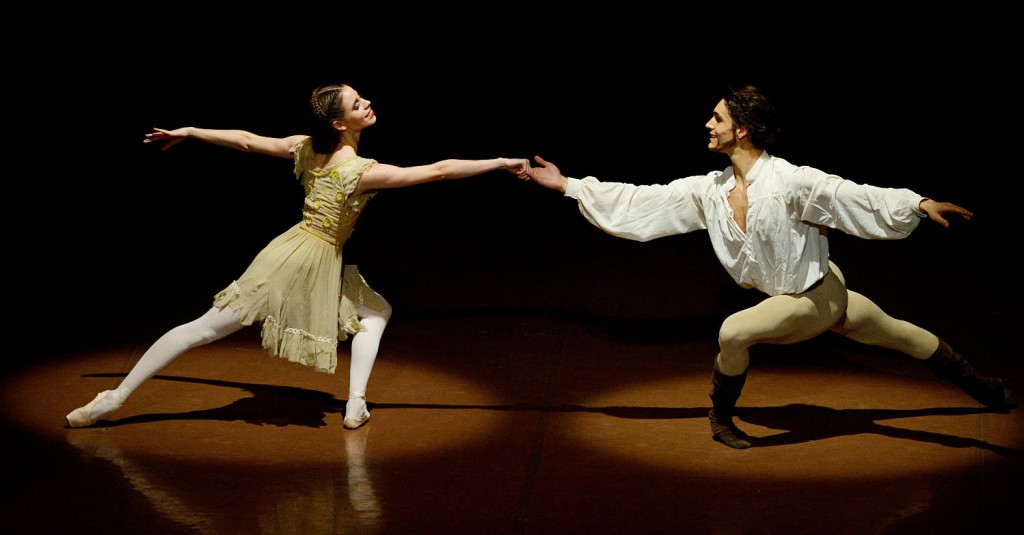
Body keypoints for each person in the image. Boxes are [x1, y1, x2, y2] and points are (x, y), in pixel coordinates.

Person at [522, 83, 1017, 449]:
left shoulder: (789, 181)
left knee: (734, 331)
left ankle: (720, 417)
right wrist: (569, 186)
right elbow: (641, 201)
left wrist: (917, 202)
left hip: (812, 296)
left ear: (741, 129)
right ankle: (986, 389)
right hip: (820, 293)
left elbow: (848, 195)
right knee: (903, 336)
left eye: (716, 118)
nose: (707, 125)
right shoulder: (710, 189)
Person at [67, 83, 530, 430]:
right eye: (356, 104)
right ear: (340, 124)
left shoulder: (306, 148)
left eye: (361, 97)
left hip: (302, 251)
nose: (366, 103)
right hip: (303, 257)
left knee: (374, 312)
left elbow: (247, 140)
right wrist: (499, 162)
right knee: (207, 328)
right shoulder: (362, 172)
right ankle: (116, 396)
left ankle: (355, 404)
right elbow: (441, 171)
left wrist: (191, 130)